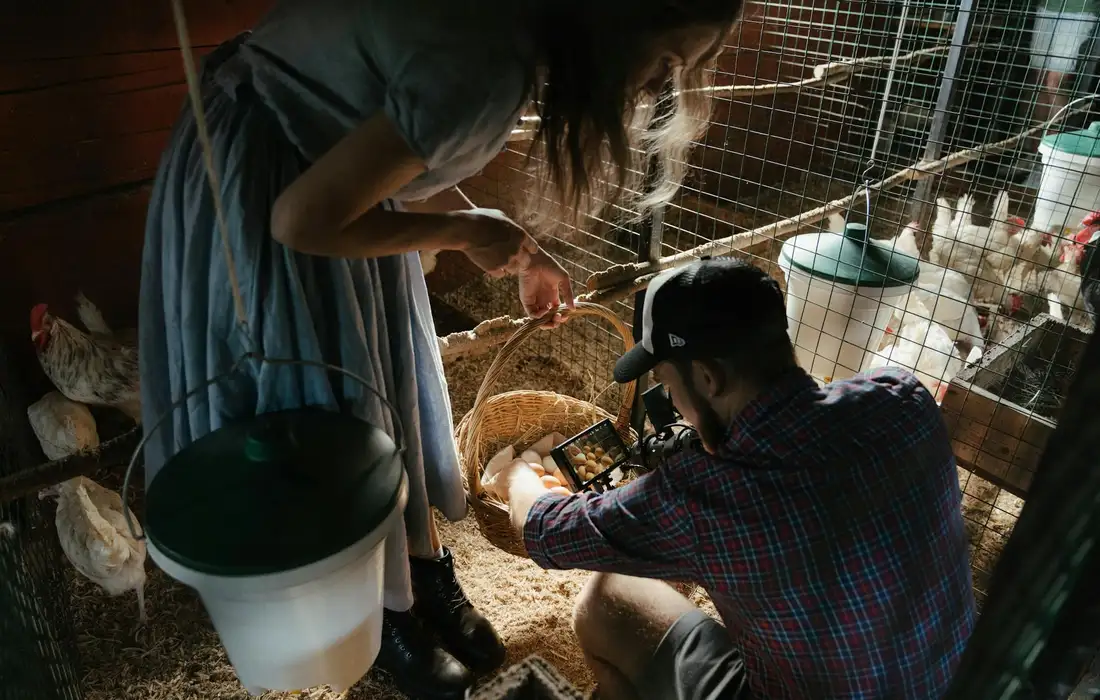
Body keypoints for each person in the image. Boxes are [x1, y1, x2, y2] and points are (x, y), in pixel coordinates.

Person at [138, 1, 743, 698]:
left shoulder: (505, 37)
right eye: (668, 61)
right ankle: (379, 607)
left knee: (385, 376)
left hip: (323, 169)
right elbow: (301, 218)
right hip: (275, 180)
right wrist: (463, 229)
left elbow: (399, 137)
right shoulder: (490, 59)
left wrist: (506, 240)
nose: (658, 90)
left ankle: (418, 571)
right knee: (336, 401)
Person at [494, 258, 978, 699]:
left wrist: (518, 474)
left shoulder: (706, 496)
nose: (673, 400)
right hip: (952, 683)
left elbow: (542, 528)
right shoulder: (903, 399)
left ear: (707, 377)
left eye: (666, 382)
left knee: (606, 599)